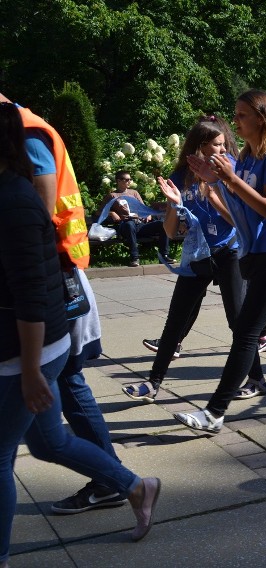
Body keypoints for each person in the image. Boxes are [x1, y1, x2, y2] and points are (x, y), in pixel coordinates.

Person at [0, 104, 161, 566]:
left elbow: (37, 236)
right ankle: (133, 486)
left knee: (17, 437)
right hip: (37, 321)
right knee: (48, 440)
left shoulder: (23, 156)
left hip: (45, 313)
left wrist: (30, 367)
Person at [0, 93, 128, 515]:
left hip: (54, 279)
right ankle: (120, 481)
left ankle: (115, 480)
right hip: (51, 276)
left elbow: (34, 210)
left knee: (68, 381)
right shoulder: (23, 125)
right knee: (50, 428)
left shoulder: (27, 132)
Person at [173, 89, 266, 432]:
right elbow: (238, 203)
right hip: (256, 255)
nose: (235, 122)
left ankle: (214, 413)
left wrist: (229, 178)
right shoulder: (251, 159)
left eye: (241, 116)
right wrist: (216, 180)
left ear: (261, 118)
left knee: (245, 332)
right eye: (236, 115)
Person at [122, 116, 266, 404]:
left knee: (238, 320)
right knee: (176, 319)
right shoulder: (180, 178)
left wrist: (215, 196)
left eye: (225, 143)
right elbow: (170, 231)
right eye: (216, 144)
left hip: (229, 250)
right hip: (198, 254)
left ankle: (257, 379)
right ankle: (153, 384)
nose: (224, 148)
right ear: (200, 147)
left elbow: (240, 222)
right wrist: (175, 206)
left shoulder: (230, 173)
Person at [100, 171, 171, 267]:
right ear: (118, 181)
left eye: (130, 179)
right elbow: (99, 212)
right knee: (130, 224)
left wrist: (147, 214)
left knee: (162, 224)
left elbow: (143, 208)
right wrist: (111, 212)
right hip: (125, 225)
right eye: (127, 180)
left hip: (140, 225)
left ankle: (164, 256)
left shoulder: (134, 193)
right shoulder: (112, 195)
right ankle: (135, 258)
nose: (129, 182)